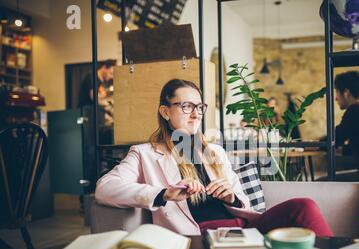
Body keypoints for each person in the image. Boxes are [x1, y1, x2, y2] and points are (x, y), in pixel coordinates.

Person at [95, 79, 333, 236]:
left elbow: (242, 202)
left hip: (242, 226)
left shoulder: (215, 152)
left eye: (200, 106)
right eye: (186, 106)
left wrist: (231, 197)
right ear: (165, 111)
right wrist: (162, 194)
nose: (196, 113)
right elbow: (105, 188)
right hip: (204, 234)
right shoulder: (145, 153)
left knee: (305, 206)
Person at [79, 59, 115, 143]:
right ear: (105, 67)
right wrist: (109, 105)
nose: (111, 77)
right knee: (91, 144)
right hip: (87, 115)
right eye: (111, 73)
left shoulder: (101, 82)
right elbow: (94, 98)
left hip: (94, 114)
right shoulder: (92, 77)